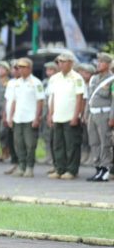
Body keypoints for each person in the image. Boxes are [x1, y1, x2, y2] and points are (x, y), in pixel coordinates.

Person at [47, 51, 85, 180]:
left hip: (70, 116)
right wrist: (50, 114)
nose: (60, 64)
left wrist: (76, 116)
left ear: (71, 63)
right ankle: (60, 169)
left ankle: (72, 170)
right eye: (59, 62)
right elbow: (53, 98)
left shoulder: (77, 78)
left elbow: (80, 98)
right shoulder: (54, 78)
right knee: (58, 145)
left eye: (63, 62)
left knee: (72, 145)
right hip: (57, 116)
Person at [6, 58, 44, 178]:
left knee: (30, 144)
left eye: (22, 67)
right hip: (18, 117)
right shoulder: (17, 83)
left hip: (30, 118)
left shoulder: (36, 82)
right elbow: (14, 101)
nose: (20, 69)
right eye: (18, 67)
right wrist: (10, 116)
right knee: (18, 143)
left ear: (29, 68)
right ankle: (21, 166)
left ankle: (29, 167)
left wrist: (37, 118)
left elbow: (40, 101)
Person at [86, 53, 114, 182]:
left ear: (108, 64)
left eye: (102, 62)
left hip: (104, 113)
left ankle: (105, 168)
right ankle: (97, 167)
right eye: (98, 61)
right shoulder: (93, 79)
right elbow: (89, 99)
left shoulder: (111, 79)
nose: (98, 64)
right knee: (94, 142)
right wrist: (86, 115)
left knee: (105, 143)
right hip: (93, 113)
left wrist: (112, 117)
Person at [39, 61, 58, 166]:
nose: (48, 72)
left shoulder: (57, 81)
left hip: (53, 110)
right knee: (46, 135)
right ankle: (48, 155)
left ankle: (54, 157)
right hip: (45, 109)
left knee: (53, 136)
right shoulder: (45, 82)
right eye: (47, 70)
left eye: (51, 70)